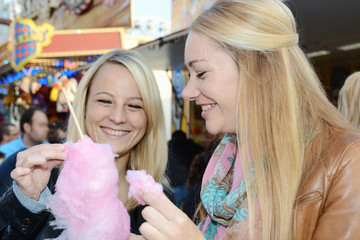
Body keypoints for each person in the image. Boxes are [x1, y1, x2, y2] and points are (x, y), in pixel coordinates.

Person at [130, 0, 360, 239]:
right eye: (190, 75)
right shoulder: (223, 163)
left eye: (201, 73)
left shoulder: (348, 161)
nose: (187, 92)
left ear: (261, 67)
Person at [0, 50, 173, 239]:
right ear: (83, 107)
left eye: (134, 105)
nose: (117, 117)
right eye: (105, 101)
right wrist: (25, 203)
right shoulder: (27, 173)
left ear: (149, 118)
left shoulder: (159, 202)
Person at [166, 130, 203, 207]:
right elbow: (203, 150)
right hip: (188, 183)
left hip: (174, 183)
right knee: (189, 209)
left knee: (175, 210)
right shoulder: (189, 144)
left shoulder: (168, 145)